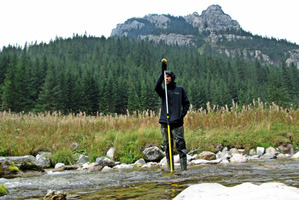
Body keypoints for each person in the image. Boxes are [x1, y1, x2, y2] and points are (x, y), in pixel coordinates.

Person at [154, 58, 190, 171]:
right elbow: (156, 87)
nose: (166, 78)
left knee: (181, 146)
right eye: (165, 77)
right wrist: (162, 72)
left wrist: (181, 115)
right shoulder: (163, 91)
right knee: (167, 146)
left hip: (177, 123)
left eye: (168, 76)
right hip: (165, 122)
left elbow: (186, 103)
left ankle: (184, 170)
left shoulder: (180, 89)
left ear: (172, 77)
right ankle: (171, 169)